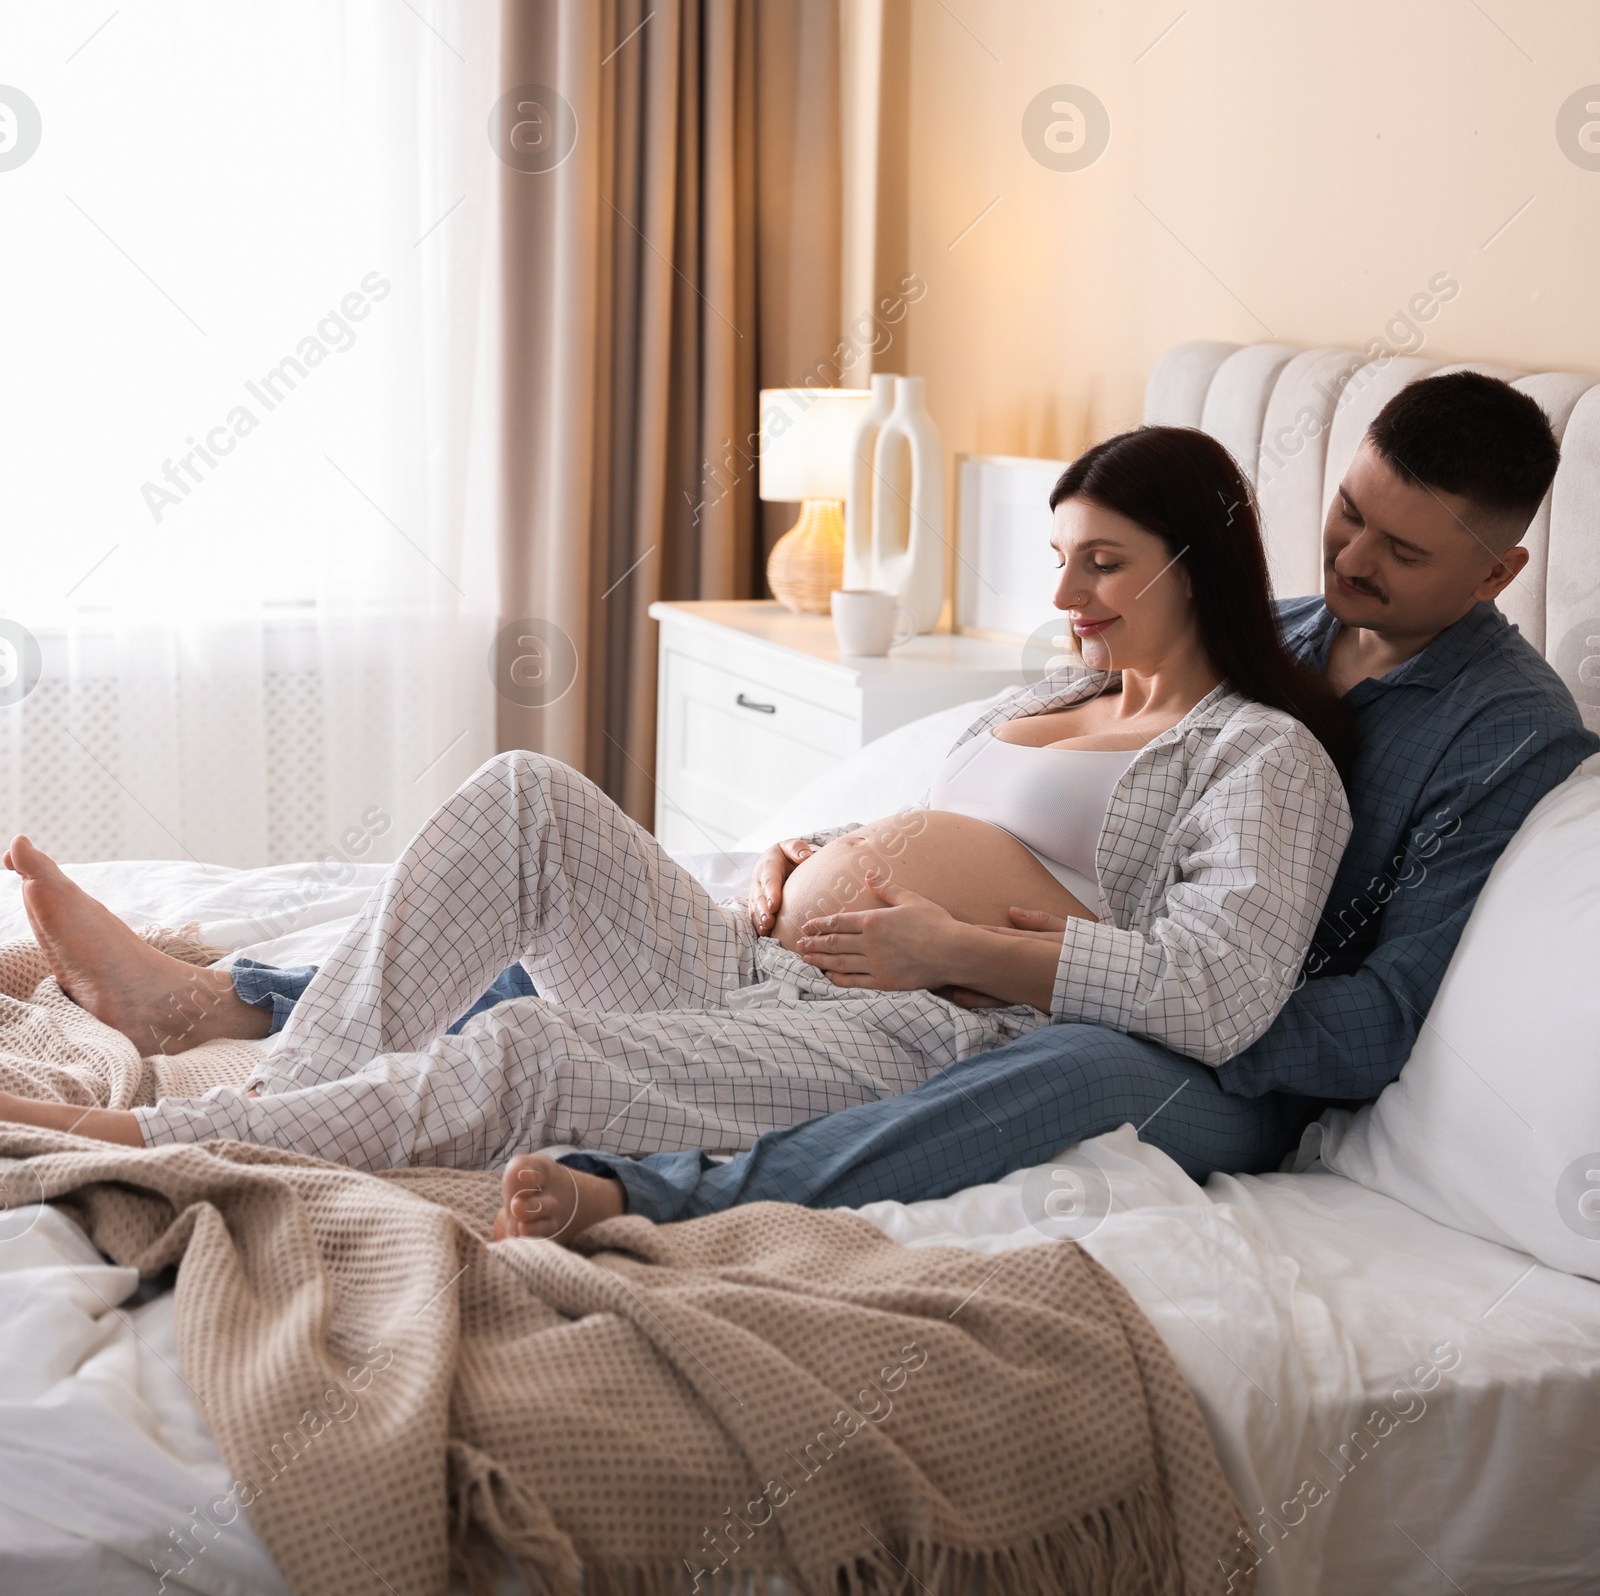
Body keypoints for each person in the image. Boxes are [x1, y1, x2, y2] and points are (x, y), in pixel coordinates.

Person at [0, 427, 1351, 1197]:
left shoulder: (1259, 756)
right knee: (524, 793)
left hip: (915, 1024)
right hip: (761, 957)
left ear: (1201, 557)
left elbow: (1219, 990)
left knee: (531, 1051)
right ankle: (260, 1075)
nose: (1070, 595)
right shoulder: (1065, 686)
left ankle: (156, 1143)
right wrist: (818, 853)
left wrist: (953, 946)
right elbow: (971, 831)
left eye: (1104, 562)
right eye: (1061, 560)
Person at [490, 369, 1598, 1245]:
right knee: (621, 928)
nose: (1351, 558)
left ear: (1500, 570)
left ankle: (662, 1196)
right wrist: (831, 852)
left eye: (1401, 550)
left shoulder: (1504, 734)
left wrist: (1117, 987)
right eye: (1347, 513)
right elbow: (1075, 791)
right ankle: (349, 1008)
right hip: (1066, 974)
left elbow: (1379, 1016)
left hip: (1232, 1065)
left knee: (1065, 1072)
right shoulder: (1273, 625)